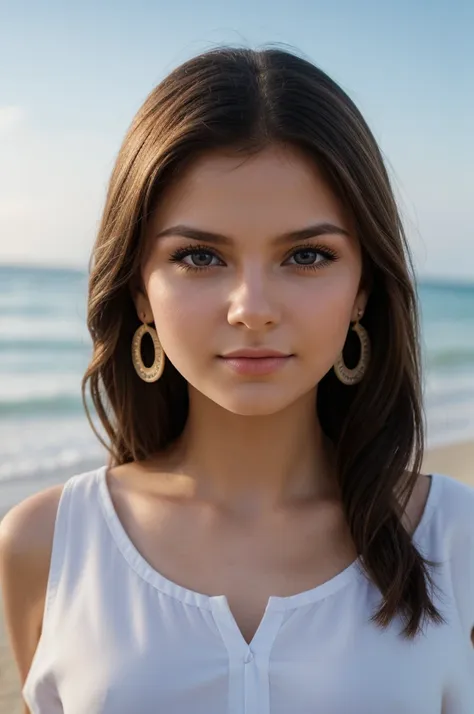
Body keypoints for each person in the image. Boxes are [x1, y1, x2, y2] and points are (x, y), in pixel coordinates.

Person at [0, 45, 473, 714]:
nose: (252, 307)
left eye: (307, 255)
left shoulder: (457, 540)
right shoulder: (46, 546)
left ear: (363, 288)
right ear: (140, 290)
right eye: (199, 256)